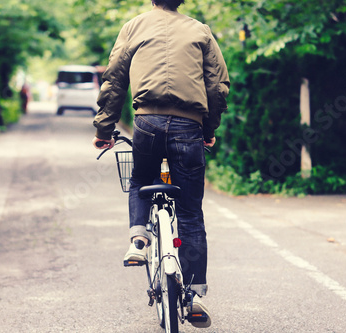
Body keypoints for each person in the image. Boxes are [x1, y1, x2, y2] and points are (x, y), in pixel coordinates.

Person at [92, 0, 229, 328]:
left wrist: (104, 129)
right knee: (191, 214)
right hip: (189, 125)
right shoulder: (200, 31)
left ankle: (138, 240)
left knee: (141, 179)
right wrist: (208, 129)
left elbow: (114, 80)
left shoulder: (134, 26)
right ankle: (194, 294)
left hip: (147, 123)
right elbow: (217, 86)